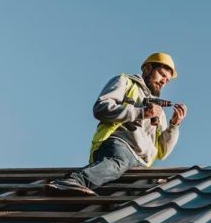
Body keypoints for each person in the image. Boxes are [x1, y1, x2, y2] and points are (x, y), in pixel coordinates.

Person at [46, 52, 187, 196]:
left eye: (167, 80)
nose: (164, 81)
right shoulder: (125, 82)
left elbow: (161, 152)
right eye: (162, 74)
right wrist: (141, 113)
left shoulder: (159, 112)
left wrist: (174, 126)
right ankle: (73, 181)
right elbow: (101, 108)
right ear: (148, 69)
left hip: (141, 164)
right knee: (119, 162)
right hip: (120, 147)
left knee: (154, 187)